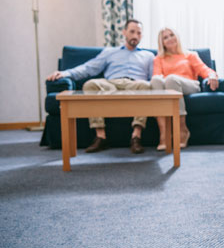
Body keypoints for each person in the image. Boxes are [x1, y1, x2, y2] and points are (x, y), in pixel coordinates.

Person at [47, 19, 154, 154]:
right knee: (90, 84)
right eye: (132, 32)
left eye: (139, 33)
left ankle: (136, 136)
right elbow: (88, 68)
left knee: (146, 86)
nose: (135, 36)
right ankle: (100, 136)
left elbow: (153, 78)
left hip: (136, 85)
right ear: (124, 32)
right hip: (111, 84)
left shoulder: (148, 56)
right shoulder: (109, 52)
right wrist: (65, 73)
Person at [151, 27, 219, 150]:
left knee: (171, 79)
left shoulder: (190, 55)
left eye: (171, 35)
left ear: (177, 36)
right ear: (162, 43)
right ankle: (164, 134)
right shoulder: (158, 59)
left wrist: (212, 75)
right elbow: (157, 76)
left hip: (190, 85)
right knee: (156, 80)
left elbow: (204, 70)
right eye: (165, 37)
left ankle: (182, 131)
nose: (169, 39)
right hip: (169, 88)